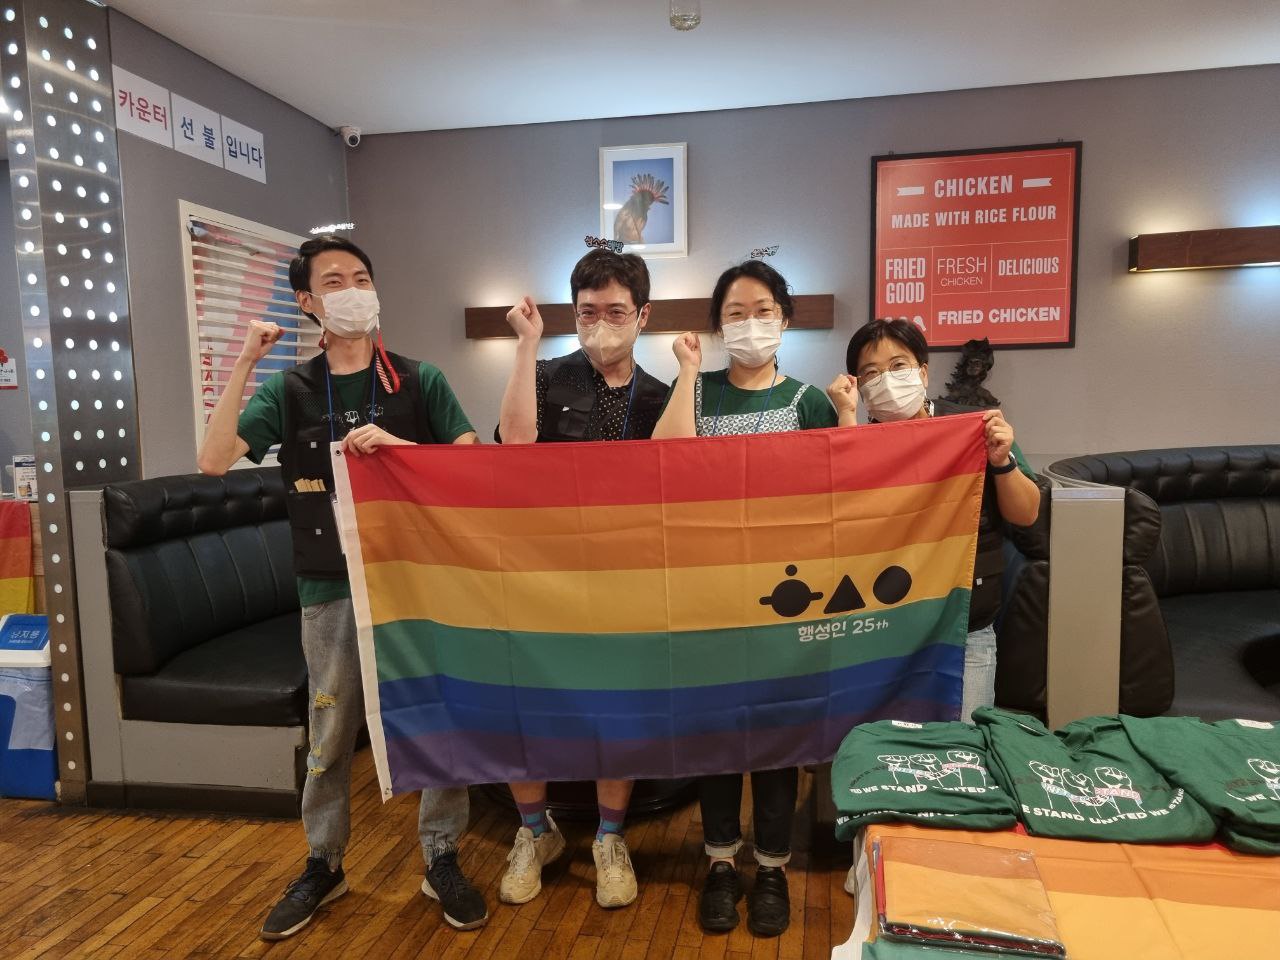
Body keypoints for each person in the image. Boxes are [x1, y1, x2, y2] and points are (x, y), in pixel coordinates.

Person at [196, 235, 487, 940]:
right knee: (329, 729)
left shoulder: (419, 380)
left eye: (361, 277)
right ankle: (324, 863)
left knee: (436, 716)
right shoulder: (290, 389)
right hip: (327, 582)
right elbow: (213, 459)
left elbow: (470, 463)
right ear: (307, 301)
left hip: (417, 580)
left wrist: (402, 449)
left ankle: (442, 856)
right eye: (334, 281)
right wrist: (246, 360)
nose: (353, 290)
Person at [651, 259, 838, 938]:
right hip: (710, 598)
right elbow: (664, 459)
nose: (750, 323)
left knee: (777, 740)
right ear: (717, 325)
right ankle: (721, 862)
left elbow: (841, 489)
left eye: (763, 311)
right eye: (735, 313)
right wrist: (686, 374)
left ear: (784, 321)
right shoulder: (697, 394)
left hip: (786, 598)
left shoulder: (809, 401)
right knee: (719, 737)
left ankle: (772, 868)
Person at [495, 248, 668, 909]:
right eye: (588, 312)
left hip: (625, 578)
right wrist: (526, 345)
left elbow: (681, 478)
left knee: (615, 713)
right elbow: (513, 445)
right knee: (527, 710)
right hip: (541, 575)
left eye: (616, 312)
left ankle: (609, 837)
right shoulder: (543, 375)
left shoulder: (659, 397)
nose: (601, 324)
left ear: (643, 316)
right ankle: (534, 832)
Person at [829, 318, 1041, 722]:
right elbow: (847, 519)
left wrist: (1002, 461)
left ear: (923, 373)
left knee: (964, 749)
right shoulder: (857, 438)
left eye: (898, 366)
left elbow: (1027, 513)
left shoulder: (974, 427)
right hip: (883, 631)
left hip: (964, 630)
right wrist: (846, 417)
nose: (886, 379)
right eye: (871, 372)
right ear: (859, 386)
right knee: (886, 749)